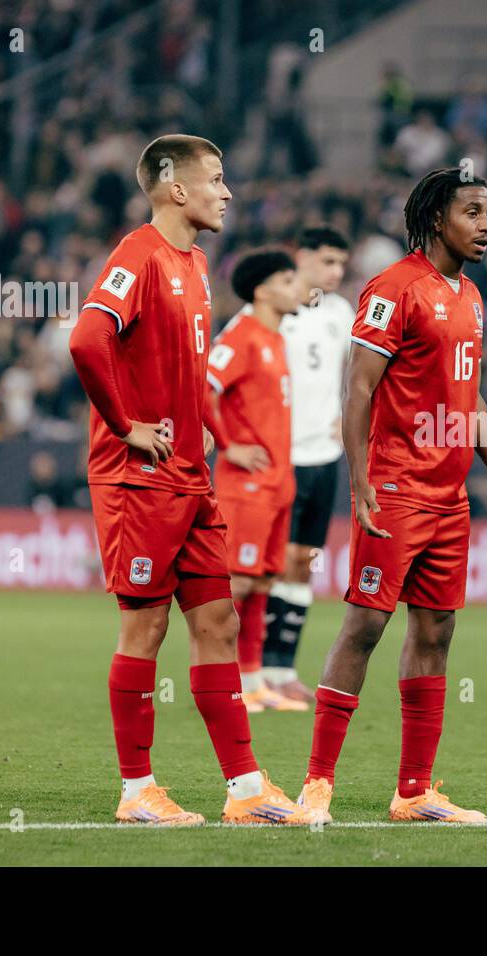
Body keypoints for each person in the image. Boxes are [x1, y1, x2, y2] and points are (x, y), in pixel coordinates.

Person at [69, 133, 317, 826]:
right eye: (217, 178)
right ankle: (136, 790)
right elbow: (87, 338)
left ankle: (245, 789)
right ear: (176, 187)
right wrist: (125, 424)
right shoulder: (137, 255)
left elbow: (187, 366)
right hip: (137, 479)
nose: (228, 191)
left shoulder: (197, 262)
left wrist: (209, 425)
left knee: (218, 619)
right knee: (143, 629)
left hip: (190, 478)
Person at [296, 168, 487, 825]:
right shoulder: (393, 288)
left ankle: (414, 791)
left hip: (449, 495)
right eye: (472, 211)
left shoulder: (469, 296)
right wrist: (360, 477)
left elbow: (470, 399)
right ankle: (317, 784)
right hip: (395, 486)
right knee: (367, 622)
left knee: (436, 628)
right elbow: (359, 388)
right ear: (438, 218)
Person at [206, 249, 309, 714]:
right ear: (263, 289)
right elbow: (203, 388)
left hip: (277, 483)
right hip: (244, 485)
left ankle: (253, 682)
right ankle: (227, 685)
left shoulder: (276, 337)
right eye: (288, 280)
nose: (297, 288)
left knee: (263, 583)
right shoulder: (243, 335)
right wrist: (228, 445)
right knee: (239, 585)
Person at [259, 228, 354, 706]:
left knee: (301, 563)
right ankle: (251, 673)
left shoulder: (343, 315)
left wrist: (344, 413)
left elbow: (352, 378)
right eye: (328, 262)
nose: (336, 272)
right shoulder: (276, 310)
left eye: (342, 264)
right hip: (280, 457)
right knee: (265, 567)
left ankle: (282, 670)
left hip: (323, 458)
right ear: (302, 258)